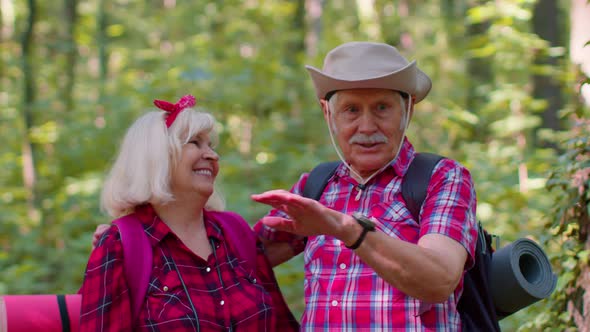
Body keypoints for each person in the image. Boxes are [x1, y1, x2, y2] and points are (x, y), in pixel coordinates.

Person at [250, 41, 479, 331]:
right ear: (328, 114)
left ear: (407, 109)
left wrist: (346, 228)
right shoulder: (316, 186)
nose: (367, 126)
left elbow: (439, 280)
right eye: (351, 110)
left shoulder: (441, 178)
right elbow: (239, 261)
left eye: (382, 107)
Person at [80, 95, 299, 331]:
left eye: (211, 146)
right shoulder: (118, 247)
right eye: (195, 142)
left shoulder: (235, 232)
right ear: (157, 157)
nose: (213, 155)